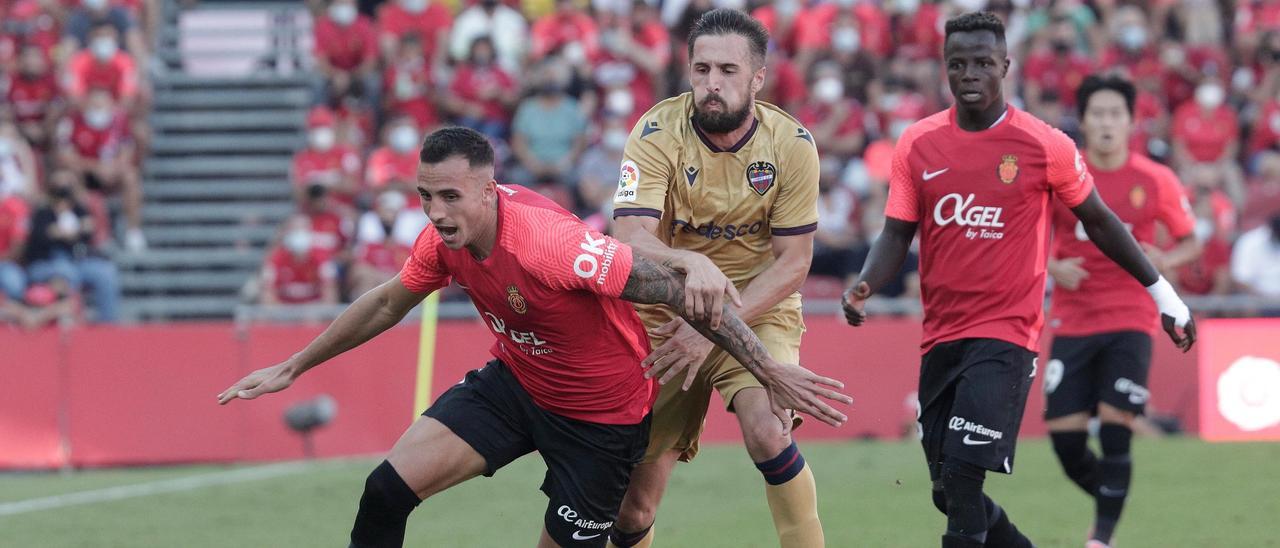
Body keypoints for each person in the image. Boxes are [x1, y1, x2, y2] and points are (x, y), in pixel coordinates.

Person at [218, 127, 850, 548]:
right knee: (384, 492)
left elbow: (685, 295)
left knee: (630, 520)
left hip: (602, 421)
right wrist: (294, 367)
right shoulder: (442, 242)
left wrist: (767, 368)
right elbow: (387, 302)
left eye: (450, 197)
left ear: (488, 193)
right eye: (424, 197)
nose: (435, 213)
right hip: (516, 387)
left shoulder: (554, 247)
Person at [841, 13, 1196, 548]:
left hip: (1008, 335)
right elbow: (896, 233)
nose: (970, 74)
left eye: (983, 63)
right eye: (958, 64)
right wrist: (864, 283)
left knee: (962, 480)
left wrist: (1163, 295)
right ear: (944, 67)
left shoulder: (1043, 144)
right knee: (946, 489)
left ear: (1005, 66)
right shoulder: (916, 144)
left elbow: (1099, 221)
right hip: (941, 337)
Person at [609, 9, 827, 548]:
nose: (712, 84)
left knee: (768, 431)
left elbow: (794, 263)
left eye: (728, 71)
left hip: (756, 307)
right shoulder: (656, 131)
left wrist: (714, 324)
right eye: (701, 69)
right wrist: (690, 267)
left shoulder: (791, 145)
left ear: (758, 77)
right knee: (633, 509)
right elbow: (630, 236)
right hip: (666, 319)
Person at [1043, 74, 1202, 548]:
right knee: (1066, 441)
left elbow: (1191, 240)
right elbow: (1025, 237)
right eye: (1099, 114)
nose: (1108, 123)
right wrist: (1052, 266)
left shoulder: (1156, 179)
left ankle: (1102, 538)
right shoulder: (1062, 179)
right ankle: (1112, 498)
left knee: (1117, 427)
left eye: (1117, 114)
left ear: (1131, 122)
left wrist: (1165, 259)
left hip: (1131, 317)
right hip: (1072, 318)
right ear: (1084, 122)